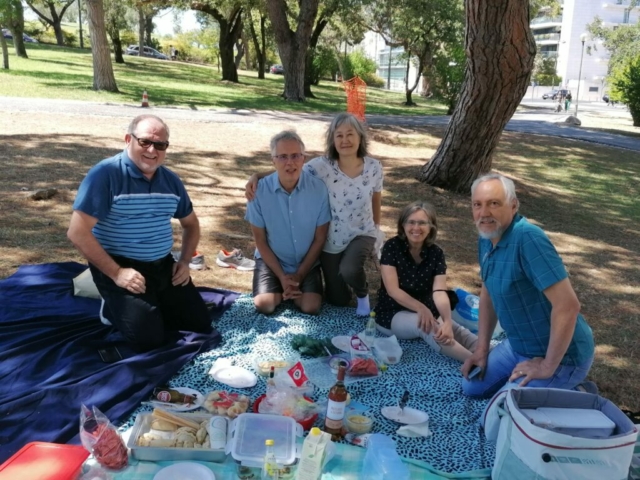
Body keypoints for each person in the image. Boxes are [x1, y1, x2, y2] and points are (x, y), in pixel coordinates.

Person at [67, 114, 211, 352]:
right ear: (128, 139)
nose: (152, 150)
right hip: (119, 264)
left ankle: (150, 302)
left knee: (199, 323)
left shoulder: (171, 181)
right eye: (144, 142)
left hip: (162, 264)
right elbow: (77, 232)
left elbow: (191, 224)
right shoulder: (106, 175)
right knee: (148, 339)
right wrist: (117, 273)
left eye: (160, 145)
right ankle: (110, 305)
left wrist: (185, 261)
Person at [461, 173, 595, 398]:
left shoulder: (528, 239)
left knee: (503, 411)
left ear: (513, 206)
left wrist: (547, 366)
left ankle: (575, 389)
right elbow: (488, 293)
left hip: (563, 358)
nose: (484, 213)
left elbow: (568, 306)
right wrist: (481, 350)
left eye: (494, 203)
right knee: (471, 387)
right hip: (518, 347)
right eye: (478, 205)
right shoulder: (487, 237)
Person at [246, 113, 383, 317]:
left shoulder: (370, 168)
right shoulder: (320, 167)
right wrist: (256, 176)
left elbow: (375, 199)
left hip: (342, 242)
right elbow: (290, 167)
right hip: (311, 247)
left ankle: (360, 295)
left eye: (350, 134)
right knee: (268, 305)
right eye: (339, 135)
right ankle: (291, 289)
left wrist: (376, 228)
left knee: (331, 286)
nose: (345, 140)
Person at [373, 202, 478, 362]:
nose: (416, 227)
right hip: (392, 313)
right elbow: (393, 290)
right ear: (403, 225)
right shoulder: (391, 247)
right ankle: (475, 363)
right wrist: (421, 308)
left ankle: (496, 358)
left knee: (459, 331)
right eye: (411, 222)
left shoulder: (436, 253)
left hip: (427, 312)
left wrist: (448, 321)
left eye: (422, 223)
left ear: (431, 227)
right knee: (429, 327)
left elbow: (439, 292)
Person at [245, 130, 331, 315]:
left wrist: (299, 274)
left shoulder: (319, 189)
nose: (290, 162)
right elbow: (260, 240)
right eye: (282, 156)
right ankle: (283, 289)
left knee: (311, 307)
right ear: (273, 161)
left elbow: (320, 237)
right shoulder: (258, 191)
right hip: (271, 261)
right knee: (264, 305)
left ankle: (288, 290)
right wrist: (282, 276)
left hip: (306, 263)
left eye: (295, 156)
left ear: (303, 158)